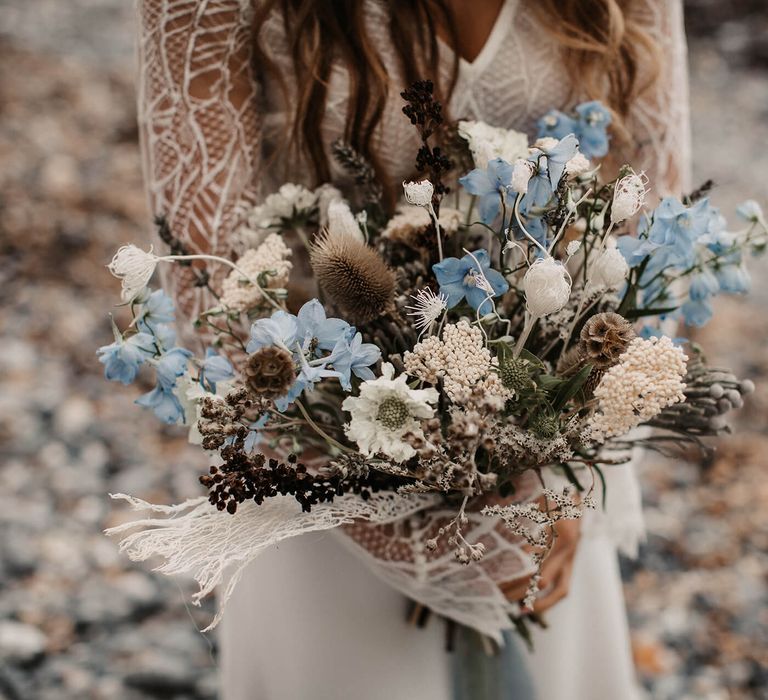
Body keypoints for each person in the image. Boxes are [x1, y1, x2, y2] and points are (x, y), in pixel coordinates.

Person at [136, 1, 690, 697]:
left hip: (547, 472)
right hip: (316, 466)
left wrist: (547, 487)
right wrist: (415, 540)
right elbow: (207, 285)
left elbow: (657, 240)